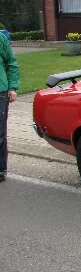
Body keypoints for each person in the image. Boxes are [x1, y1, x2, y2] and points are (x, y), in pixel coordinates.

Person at [0, 32, 19, 182]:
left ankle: (0, 170)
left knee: (0, 134)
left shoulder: (1, 39)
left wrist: (12, 87)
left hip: (0, 92)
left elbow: (11, 63)